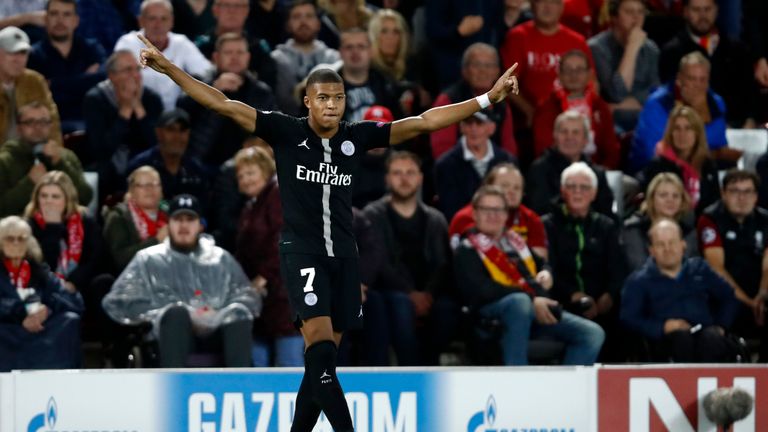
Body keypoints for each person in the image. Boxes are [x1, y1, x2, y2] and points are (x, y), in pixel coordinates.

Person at [136, 25, 518, 430]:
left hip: (344, 256)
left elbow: (424, 122)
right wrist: (169, 69)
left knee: (322, 366)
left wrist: (485, 99)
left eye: (338, 99)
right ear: (307, 101)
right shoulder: (285, 131)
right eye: (323, 98)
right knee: (318, 351)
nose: (332, 105)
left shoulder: (356, 138)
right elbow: (223, 103)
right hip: (303, 253)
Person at [102, 194, 261, 368]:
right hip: (168, 335)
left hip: (216, 334)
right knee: (177, 314)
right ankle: (175, 386)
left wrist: (215, 314)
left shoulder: (220, 258)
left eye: (190, 219)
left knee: (237, 313)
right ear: (167, 224)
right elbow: (117, 302)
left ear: (200, 225)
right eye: (178, 219)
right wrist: (162, 313)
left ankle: (238, 387)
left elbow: (248, 296)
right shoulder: (148, 259)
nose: (184, 225)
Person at [454, 185, 604, 365]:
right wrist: (530, 299)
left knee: (592, 334)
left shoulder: (515, 242)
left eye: (498, 209)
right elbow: (482, 290)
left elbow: (542, 263)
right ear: (475, 214)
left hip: (534, 308)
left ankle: (567, 390)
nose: (492, 215)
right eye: (486, 209)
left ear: (506, 214)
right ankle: (518, 380)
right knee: (519, 302)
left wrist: (546, 273)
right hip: (491, 315)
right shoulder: (467, 248)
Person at [361, 151, 456, 366]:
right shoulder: (373, 215)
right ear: (387, 178)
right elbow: (379, 262)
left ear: (421, 178)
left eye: (410, 173)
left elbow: (443, 264)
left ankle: (431, 368)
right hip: (388, 292)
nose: (404, 179)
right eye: (397, 173)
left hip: (429, 294)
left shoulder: (435, 219)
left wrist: (428, 294)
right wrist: (410, 293)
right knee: (400, 305)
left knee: (447, 310)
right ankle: (409, 370)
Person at [621, 218, 738, 362]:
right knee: (681, 339)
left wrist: (721, 326)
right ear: (651, 250)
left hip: (706, 335)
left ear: (683, 245)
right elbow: (629, 318)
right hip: (665, 342)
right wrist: (662, 327)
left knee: (713, 339)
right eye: (660, 244)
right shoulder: (638, 281)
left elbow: (729, 297)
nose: (668, 249)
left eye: (672, 243)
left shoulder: (700, 269)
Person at [543, 162, 625, 359]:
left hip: (602, 303)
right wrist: (573, 295)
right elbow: (549, 268)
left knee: (621, 320)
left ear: (594, 194)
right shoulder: (547, 225)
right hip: (564, 301)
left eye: (584, 187)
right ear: (563, 192)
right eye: (571, 187)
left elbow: (618, 267)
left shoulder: (606, 226)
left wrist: (609, 295)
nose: (578, 192)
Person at [233, 147, 304, 367]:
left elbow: (285, 238)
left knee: (289, 364)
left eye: (251, 173)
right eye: (241, 176)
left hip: (286, 295)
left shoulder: (277, 193)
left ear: (265, 170)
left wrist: (263, 276)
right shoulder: (250, 207)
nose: (246, 180)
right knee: (258, 371)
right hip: (262, 300)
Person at [698, 169, 768, 361]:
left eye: (747, 192)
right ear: (723, 193)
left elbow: (767, 265)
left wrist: (761, 295)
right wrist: (749, 302)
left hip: (757, 295)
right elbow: (716, 268)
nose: (741, 197)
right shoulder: (710, 219)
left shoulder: (765, 220)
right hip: (723, 295)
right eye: (735, 191)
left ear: (756, 196)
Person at [179, 32, 277, 167]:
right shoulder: (199, 84)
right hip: (202, 162)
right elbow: (182, 111)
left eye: (240, 53)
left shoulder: (261, 92)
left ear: (248, 57)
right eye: (229, 53)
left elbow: (274, 128)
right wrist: (213, 90)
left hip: (249, 166)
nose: (235, 57)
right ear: (216, 57)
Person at [0, 215, 84, 372]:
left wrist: (47, 310)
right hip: (8, 330)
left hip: (40, 328)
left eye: (22, 239)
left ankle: (63, 379)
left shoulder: (39, 271)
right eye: (10, 239)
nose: (16, 243)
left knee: (70, 319)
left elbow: (75, 303)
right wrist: (21, 312)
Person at [631, 51, 736, 173]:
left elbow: (719, 145)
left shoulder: (716, 103)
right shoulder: (657, 103)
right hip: (655, 171)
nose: (698, 85)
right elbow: (654, 152)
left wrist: (700, 109)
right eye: (692, 79)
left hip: (700, 169)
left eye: (703, 80)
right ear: (679, 79)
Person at [659, 0, 757, 128]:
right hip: (691, 129)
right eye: (696, 10)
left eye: (707, 9)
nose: (703, 15)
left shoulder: (737, 50)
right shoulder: (671, 53)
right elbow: (670, 99)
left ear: (716, 10)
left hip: (738, 128)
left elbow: (750, 92)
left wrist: (750, 120)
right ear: (685, 12)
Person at [83, 50, 164, 200]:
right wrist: (125, 111)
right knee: (101, 171)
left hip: (141, 160)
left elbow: (157, 145)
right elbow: (100, 150)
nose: (135, 75)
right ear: (112, 76)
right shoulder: (95, 99)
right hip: (108, 164)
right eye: (128, 70)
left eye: (137, 69)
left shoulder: (152, 99)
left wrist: (138, 108)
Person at [501, 0, 594, 129]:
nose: (548, 7)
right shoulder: (517, 37)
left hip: (573, 114)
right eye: (541, 2)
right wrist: (530, 111)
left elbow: (592, 83)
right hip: (529, 118)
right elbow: (507, 84)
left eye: (554, 2)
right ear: (532, 5)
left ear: (562, 7)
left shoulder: (577, 41)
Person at [114, 0, 213, 110]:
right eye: (152, 19)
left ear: (172, 22)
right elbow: (117, 79)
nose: (158, 25)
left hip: (175, 117)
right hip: (138, 112)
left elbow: (206, 72)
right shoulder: (127, 43)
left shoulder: (181, 43)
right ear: (141, 21)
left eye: (164, 19)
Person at [0, 102, 92, 217]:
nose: (38, 127)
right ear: (19, 129)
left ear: (51, 126)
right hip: (19, 228)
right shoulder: (5, 160)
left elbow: (85, 198)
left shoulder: (66, 156)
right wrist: (29, 183)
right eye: (30, 122)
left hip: (62, 225)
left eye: (43, 122)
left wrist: (59, 163)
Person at [27, 0, 106, 133]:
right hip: (51, 125)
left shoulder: (92, 48)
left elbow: (102, 80)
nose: (60, 20)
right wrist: (85, 79)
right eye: (54, 14)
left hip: (92, 120)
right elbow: (39, 95)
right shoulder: (33, 55)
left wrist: (54, 84)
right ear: (46, 19)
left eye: (66, 15)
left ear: (76, 21)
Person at [532, 49, 620, 169]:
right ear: (559, 74)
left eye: (579, 70)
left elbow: (611, 150)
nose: (574, 75)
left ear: (590, 74)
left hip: (596, 171)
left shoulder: (599, 106)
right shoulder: (547, 107)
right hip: (556, 171)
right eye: (568, 70)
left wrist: (599, 175)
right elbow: (543, 148)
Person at [430, 43, 517, 160]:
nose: (483, 71)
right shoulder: (448, 100)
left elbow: (509, 150)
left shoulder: (502, 106)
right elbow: (442, 151)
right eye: (476, 65)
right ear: (464, 70)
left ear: (497, 72)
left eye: (489, 65)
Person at [449, 163, 548, 260]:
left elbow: (539, 260)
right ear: (488, 187)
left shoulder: (531, 219)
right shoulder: (465, 218)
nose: (511, 191)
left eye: (517, 188)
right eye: (504, 186)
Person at [587, 0, 660, 132]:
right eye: (629, 12)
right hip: (611, 123)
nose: (636, 18)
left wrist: (625, 104)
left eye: (640, 12)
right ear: (614, 17)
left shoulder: (651, 49)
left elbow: (655, 91)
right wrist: (632, 48)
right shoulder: (597, 48)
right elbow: (617, 94)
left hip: (644, 119)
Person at [525, 110, 614, 217]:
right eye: (564, 132)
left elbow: (607, 215)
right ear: (555, 136)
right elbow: (538, 212)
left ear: (586, 140)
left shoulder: (597, 174)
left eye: (575, 132)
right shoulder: (539, 169)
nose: (569, 137)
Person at [127, 108, 213, 215]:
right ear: (158, 132)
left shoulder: (197, 171)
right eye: (171, 130)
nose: (177, 136)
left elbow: (204, 212)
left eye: (182, 130)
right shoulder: (139, 167)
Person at [435, 110, 517, 221]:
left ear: (491, 128)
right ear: (462, 127)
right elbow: (450, 210)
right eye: (469, 123)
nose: (473, 129)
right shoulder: (446, 165)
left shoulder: (507, 162)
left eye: (479, 123)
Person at [637, 105, 720, 215]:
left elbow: (715, 202)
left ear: (697, 133)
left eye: (688, 128)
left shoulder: (707, 165)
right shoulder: (658, 165)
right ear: (670, 133)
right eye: (677, 128)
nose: (682, 134)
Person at [270, 0, 340, 116]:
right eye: (297, 17)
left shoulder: (334, 57)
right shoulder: (276, 59)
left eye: (309, 16)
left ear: (318, 24)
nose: (303, 21)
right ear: (288, 25)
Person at [193, 0, 277, 90]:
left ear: (247, 11)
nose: (232, 11)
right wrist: (213, 86)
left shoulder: (259, 49)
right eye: (226, 5)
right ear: (215, 10)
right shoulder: (199, 47)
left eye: (238, 6)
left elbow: (269, 91)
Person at [623, 173, 699, 272]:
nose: (670, 200)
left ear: (682, 201)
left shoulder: (689, 233)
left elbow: (692, 269)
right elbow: (639, 267)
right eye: (663, 195)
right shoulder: (634, 230)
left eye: (676, 196)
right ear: (652, 199)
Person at [0, 26, 62, 145]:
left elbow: (52, 122)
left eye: (23, 53)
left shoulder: (34, 81)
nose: (18, 60)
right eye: (11, 53)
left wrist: (55, 152)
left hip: (31, 152)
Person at [102, 165, 168, 274]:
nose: (149, 189)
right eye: (142, 185)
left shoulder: (170, 215)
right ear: (131, 191)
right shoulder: (119, 217)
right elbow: (120, 260)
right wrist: (156, 241)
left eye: (154, 184)